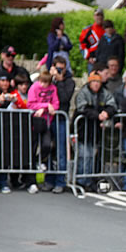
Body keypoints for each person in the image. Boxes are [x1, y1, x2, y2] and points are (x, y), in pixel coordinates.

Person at [74, 72, 118, 191]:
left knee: (92, 156)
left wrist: (106, 113)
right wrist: (97, 115)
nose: (96, 84)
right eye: (94, 82)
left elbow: (112, 105)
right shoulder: (83, 93)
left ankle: (88, 180)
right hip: (83, 130)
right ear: (89, 82)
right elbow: (82, 108)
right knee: (84, 156)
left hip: (96, 132)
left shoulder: (104, 93)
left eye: (98, 82)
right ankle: (81, 181)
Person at [0, 73, 25, 194]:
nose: (5, 83)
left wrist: (16, 100)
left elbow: (24, 106)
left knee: (5, 155)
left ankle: (3, 181)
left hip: (9, 127)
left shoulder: (14, 92)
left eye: (7, 81)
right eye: (2, 81)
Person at [26, 70, 59, 194]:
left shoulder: (53, 88)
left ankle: (40, 161)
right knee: (32, 150)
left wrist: (47, 107)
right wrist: (45, 106)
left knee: (47, 145)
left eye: (46, 83)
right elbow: (30, 104)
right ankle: (31, 182)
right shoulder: (34, 88)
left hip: (46, 123)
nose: (43, 85)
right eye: (42, 82)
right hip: (34, 122)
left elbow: (55, 105)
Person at [46, 56, 75, 193]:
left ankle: (60, 181)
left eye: (62, 69)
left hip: (61, 118)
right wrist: (50, 78)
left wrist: (60, 81)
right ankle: (49, 180)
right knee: (48, 149)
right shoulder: (48, 78)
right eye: (57, 68)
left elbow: (64, 98)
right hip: (47, 118)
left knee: (61, 151)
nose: (59, 71)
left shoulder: (69, 82)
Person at [79, 8, 106, 73]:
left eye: (101, 15)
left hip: (105, 60)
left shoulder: (107, 29)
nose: (99, 17)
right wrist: (88, 57)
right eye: (97, 15)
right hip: (93, 61)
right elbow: (82, 45)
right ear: (94, 17)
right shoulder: (87, 30)